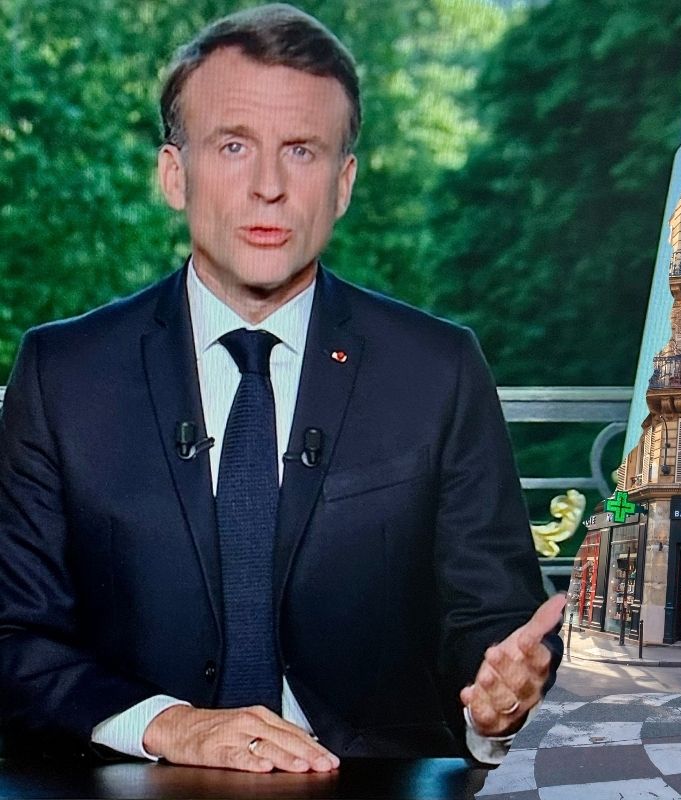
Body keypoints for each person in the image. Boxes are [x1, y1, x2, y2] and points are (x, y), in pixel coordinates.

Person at [0, 4, 561, 773]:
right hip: (133, 778)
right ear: (175, 173)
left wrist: (502, 697)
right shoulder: (61, 373)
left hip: (371, 782)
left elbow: (494, 626)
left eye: (302, 150)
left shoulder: (439, 369)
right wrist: (168, 726)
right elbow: (14, 634)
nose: (269, 186)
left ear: (343, 184)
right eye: (234, 145)